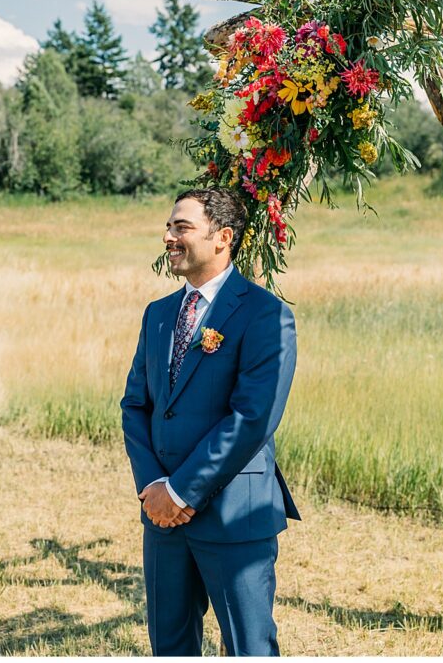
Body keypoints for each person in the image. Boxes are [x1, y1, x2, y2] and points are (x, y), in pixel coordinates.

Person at [120, 188, 300, 656]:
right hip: (161, 515)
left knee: (248, 647)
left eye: (182, 227)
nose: (168, 237)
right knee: (170, 646)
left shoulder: (266, 314)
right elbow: (135, 406)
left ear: (222, 237)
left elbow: (252, 417)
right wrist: (154, 488)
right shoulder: (158, 316)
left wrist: (182, 492)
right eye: (168, 226)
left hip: (234, 514)